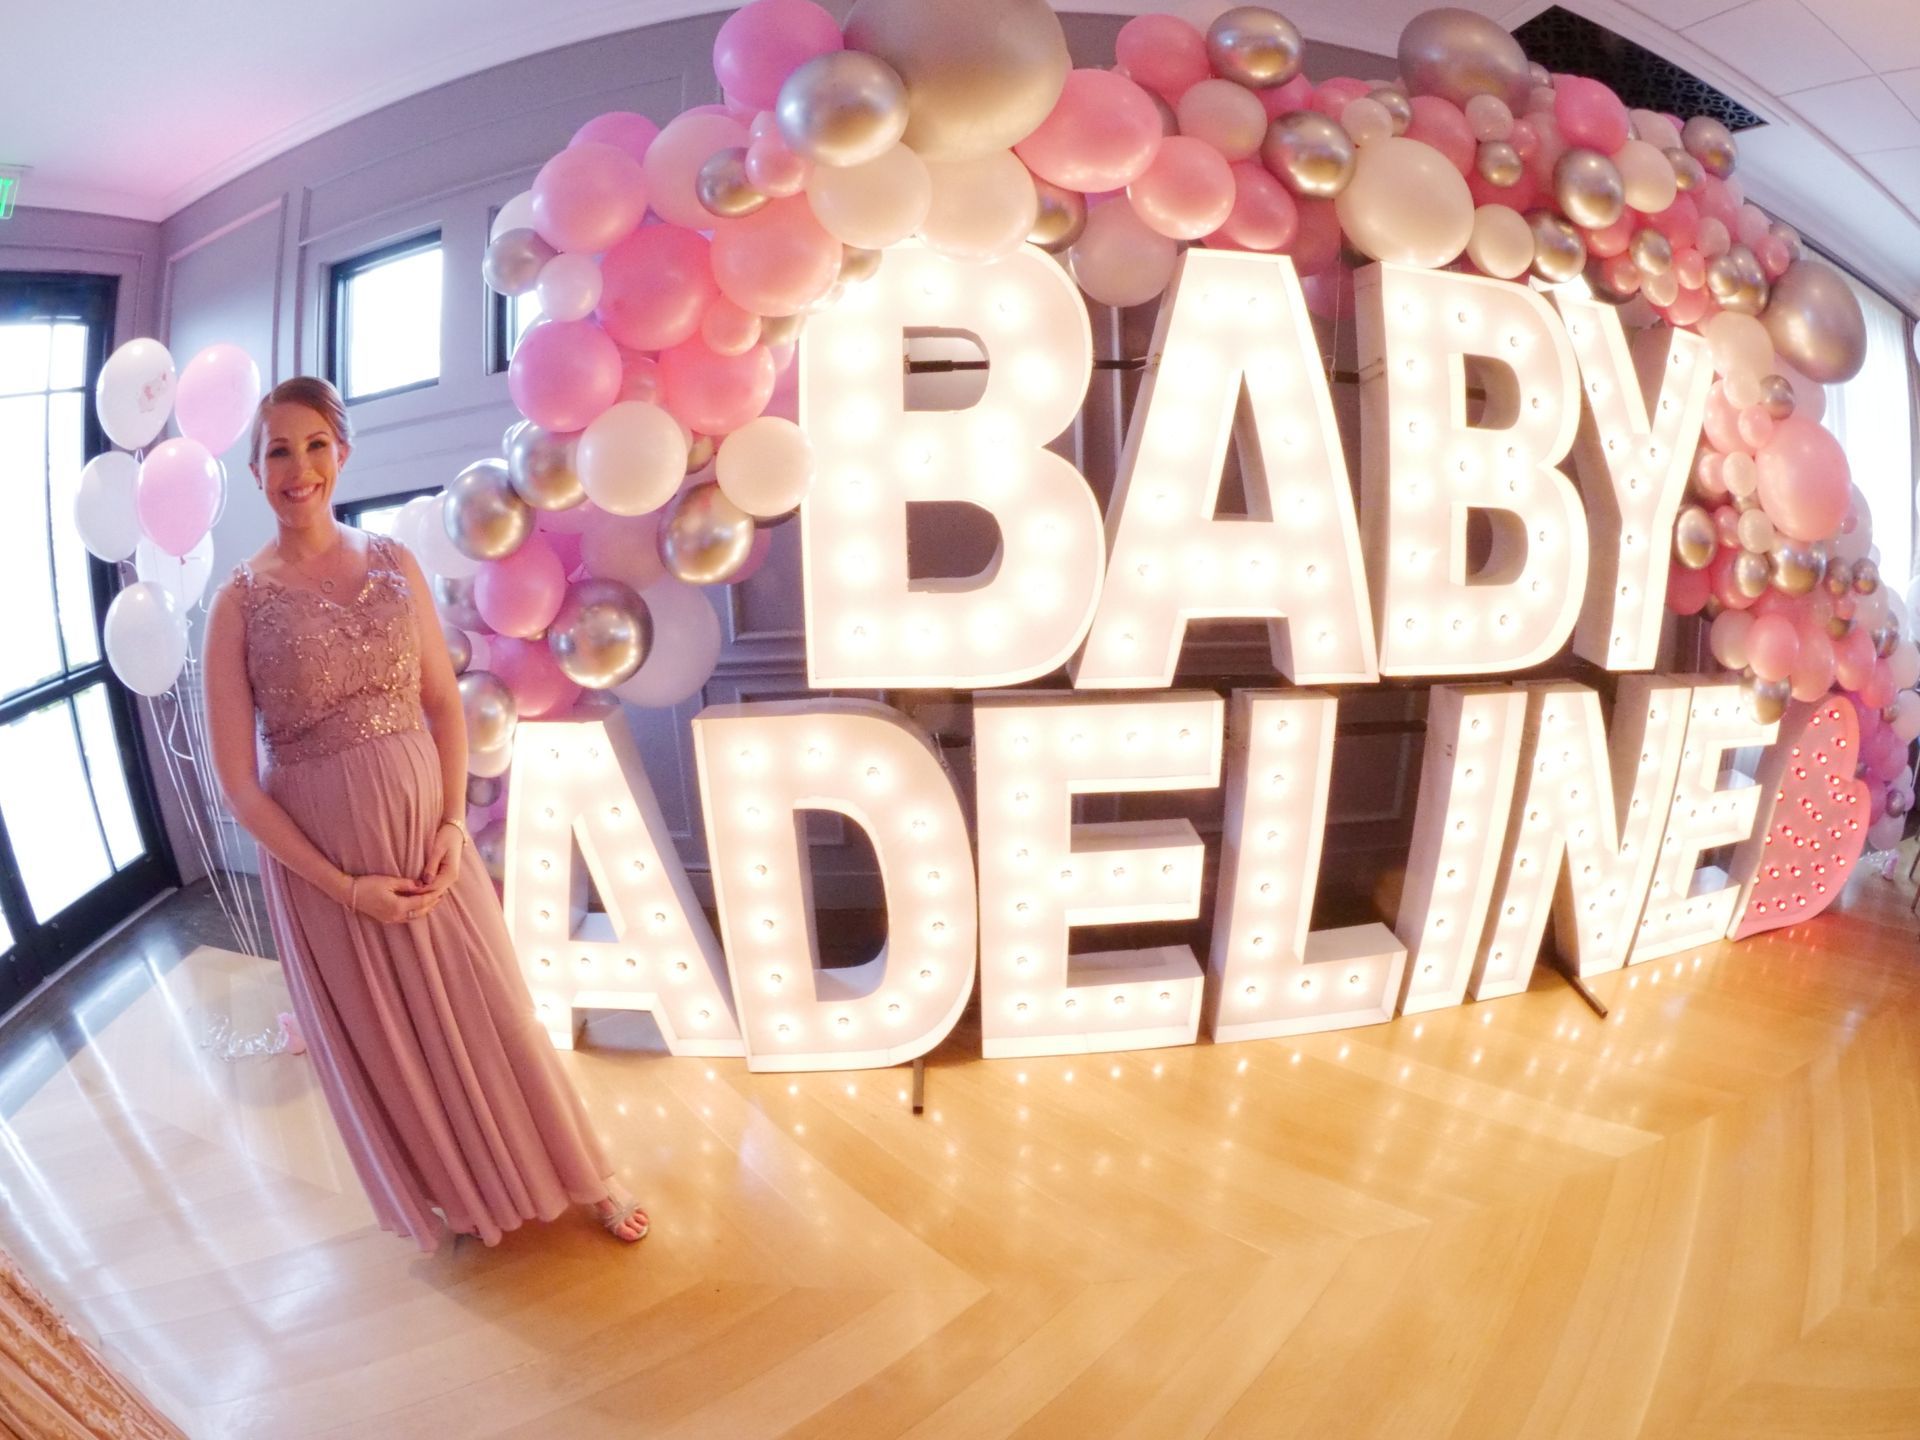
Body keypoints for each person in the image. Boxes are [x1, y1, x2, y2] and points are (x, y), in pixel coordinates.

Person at [203, 376, 647, 1250]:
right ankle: (473, 1195)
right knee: (395, 1044)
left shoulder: (392, 565)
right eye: (279, 452)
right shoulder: (237, 605)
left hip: (423, 836)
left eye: (315, 445)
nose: (300, 468)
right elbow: (240, 787)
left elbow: (444, 707)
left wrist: (450, 824)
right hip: (329, 869)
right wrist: (345, 888)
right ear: (255, 473)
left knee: (493, 1006)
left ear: (343, 454)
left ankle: (584, 1174)